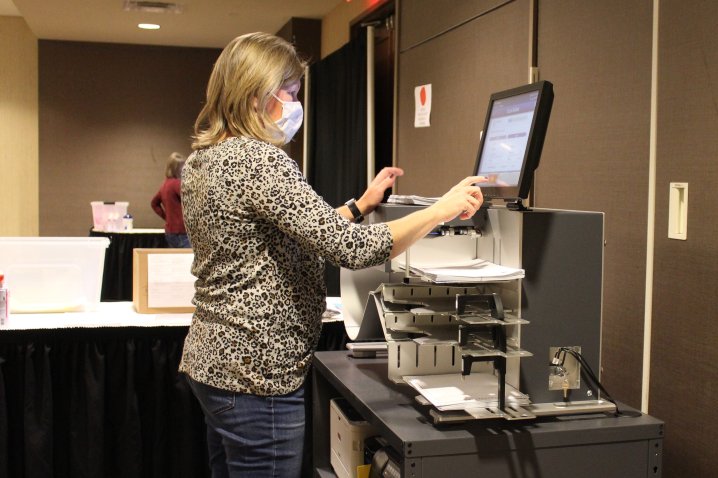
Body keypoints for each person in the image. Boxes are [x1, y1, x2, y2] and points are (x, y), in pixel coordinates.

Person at [178, 32, 484, 478]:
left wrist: (360, 205)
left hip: (215, 360)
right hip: (257, 371)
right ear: (257, 94)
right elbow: (351, 248)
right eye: (292, 92)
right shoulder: (259, 161)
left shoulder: (204, 160)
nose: (296, 104)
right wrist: (441, 209)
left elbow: (288, 232)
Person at [150, 152, 191, 248]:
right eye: (182, 167)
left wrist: (167, 217)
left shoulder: (165, 185)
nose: (184, 169)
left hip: (170, 232)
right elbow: (190, 199)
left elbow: (154, 203)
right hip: (182, 231)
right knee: (186, 260)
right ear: (176, 169)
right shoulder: (177, 184)